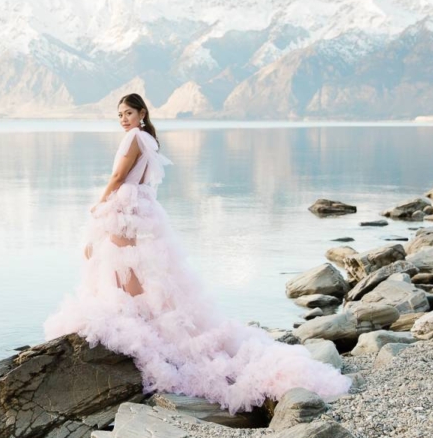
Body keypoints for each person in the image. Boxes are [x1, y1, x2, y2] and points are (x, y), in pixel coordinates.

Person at [44, 93, 351, 413]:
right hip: (136, 204)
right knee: (126, 261)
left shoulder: (134, 137)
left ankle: (134, 317)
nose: (123, 118)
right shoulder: (147, 139)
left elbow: (119, 177)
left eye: (128, 113)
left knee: (121, 261)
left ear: (141, 114)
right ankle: (137, 314)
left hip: (123, 205)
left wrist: (100, 203)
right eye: (119, 114)